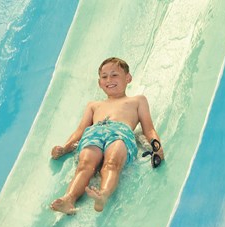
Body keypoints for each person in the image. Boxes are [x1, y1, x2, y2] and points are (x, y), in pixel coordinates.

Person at [50, 57, 164, 214]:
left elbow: (149, 129)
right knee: (85, 165)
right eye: (104, 77)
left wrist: (157, 146)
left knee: (112, 163)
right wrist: (65, 148)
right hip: (94, 133)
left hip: (120, 134)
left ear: (128, 78)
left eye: (115, 75)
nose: (109, 79)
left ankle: (103, 195)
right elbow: (80, 130)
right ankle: (69, 199)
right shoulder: (93, 105)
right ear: (99, 83)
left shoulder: (137, 101)